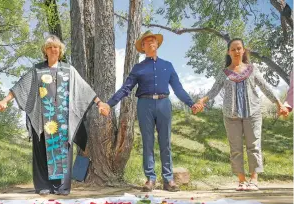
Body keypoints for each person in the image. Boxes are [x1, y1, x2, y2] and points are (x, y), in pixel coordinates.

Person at [0, 35, 110, 196]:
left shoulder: (68, 70)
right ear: (45, 51)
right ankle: (43, 186)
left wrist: (100, 103)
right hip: (43, 118)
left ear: (60, 50)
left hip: (63, 120)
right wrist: (5, 101)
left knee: (63, 150)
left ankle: (61, 187)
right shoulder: (37, 70)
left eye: (56, 47)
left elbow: (85, 89)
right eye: (49, 47)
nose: (53, 49)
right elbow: (20, 86)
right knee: (42, 151)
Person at [103, 30, 200, 192]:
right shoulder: (138, 68)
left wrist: (191, 104)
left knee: (165, 142)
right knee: (148, 142)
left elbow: (178, 89)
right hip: (145, 104)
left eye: (153, 40)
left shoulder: (167, 66)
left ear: (157, 44)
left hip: (164, 103)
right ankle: (150, 178)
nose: (150, 42)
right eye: (146, 41)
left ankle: (168, 179)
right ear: (143, 47)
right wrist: (109, 104)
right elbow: (126, 89)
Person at [193, 38, 288, 191]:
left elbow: (265, 87)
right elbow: (214, 90)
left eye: (239, 48)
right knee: (235, 148)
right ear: (228, 52)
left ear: (243, 50)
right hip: (231, 115)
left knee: (254, 146)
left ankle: (254, 179)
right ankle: (241, 180)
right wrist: (201, 101)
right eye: (233, 49)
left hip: (253, 113)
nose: (236, 51)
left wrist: (279, 104)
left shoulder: (252, 69)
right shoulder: (224, 72)